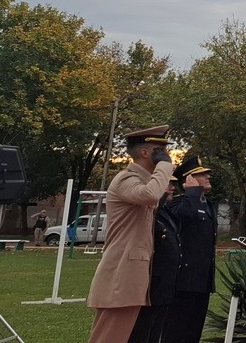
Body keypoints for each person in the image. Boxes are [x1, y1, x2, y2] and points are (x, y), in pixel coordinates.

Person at [86, 125, 176, 343]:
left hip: (133, 274)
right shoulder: (126, 179)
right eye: (160, 150)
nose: (167, 155)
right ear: (145, 153)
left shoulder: (143, 179)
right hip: (122, 273)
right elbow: (152, 195)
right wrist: (164, 166)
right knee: (110, 337)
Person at [162, 156, 216, 343]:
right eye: (201, 174)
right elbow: (183, 216)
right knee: (177, 330)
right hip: (183, 279)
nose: (207, 176)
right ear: (189, 180)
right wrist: (192, 193)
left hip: (202, 279)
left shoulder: (208, 205)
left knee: (194, 330)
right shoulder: (178, 203)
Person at [129, 177, 181, 343]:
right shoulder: (150, 212)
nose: (172, 187)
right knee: (142, 331)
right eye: (168, 183)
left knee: (155, 331)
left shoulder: (166, 213)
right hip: (151, 283)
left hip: (165, 284)